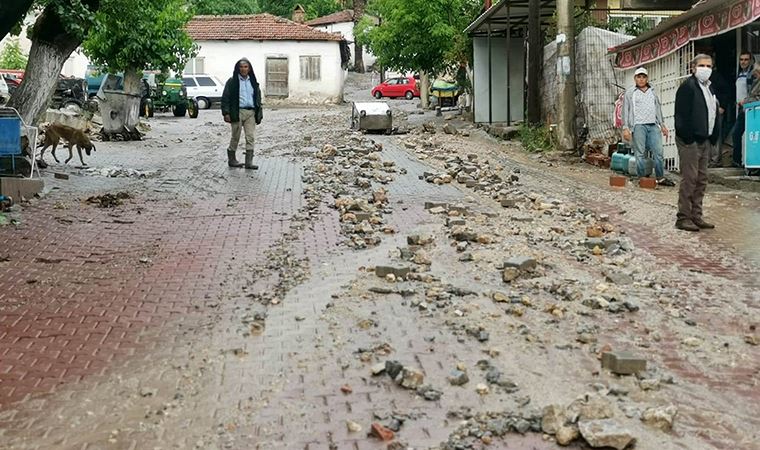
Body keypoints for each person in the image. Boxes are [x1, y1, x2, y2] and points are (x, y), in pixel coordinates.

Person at [673, 54, 721, 232]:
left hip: (704, 139)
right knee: (690, 179)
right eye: (702, 65)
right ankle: (683, 217)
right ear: (693, 67)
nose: (705, 69)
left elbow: (713, 113)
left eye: (709, 66)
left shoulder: (709, 88)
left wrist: (713, 136)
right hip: (690, 141)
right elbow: (681, 116)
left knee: (702, 179)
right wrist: (688, 138)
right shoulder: (687, 87)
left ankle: (696, 216)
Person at [621, 66, 674, 186]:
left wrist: (662, 125)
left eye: (643, 77)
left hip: (653, 125)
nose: (641, 79)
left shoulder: (653, 91)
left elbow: (658, 108)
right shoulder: (630, 93)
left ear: (647, 79)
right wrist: (625, 128)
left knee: (658, 153)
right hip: (638, 126)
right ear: (635, 79)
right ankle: (642, 178)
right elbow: (625, 110)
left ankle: (660, 177)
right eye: (638, 77)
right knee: (640, 153)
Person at [221, 57, 262, 169]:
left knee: (250, 137)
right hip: (237, 112)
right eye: (241, 67)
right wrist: (226, 113)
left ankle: (249, 162)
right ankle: (232, 159)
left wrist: (259, 113)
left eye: (246, 67)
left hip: (250, 113)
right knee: (235, 136)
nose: (243, 69)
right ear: (237, 68)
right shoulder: (232, 82)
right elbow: (225, 97)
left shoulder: (253, 82)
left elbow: (258, 98)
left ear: (249, 69)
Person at [732, 51, 754, 168]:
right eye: (741, 59)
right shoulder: (739, 74)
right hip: (741, 109)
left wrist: (745, 101)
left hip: (749, 108)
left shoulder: (751, 74)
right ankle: (738, 161)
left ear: (750, 60)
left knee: (745, 135)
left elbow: (753, 92)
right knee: (737, 134)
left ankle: (743, 161)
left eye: (746, 59)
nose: (743, 62)